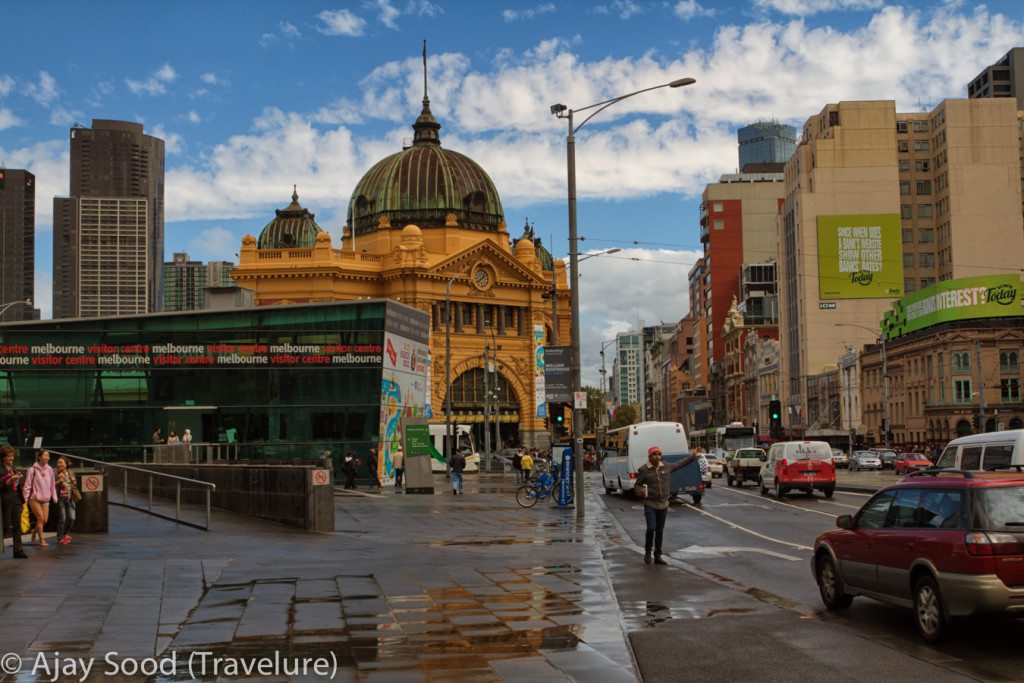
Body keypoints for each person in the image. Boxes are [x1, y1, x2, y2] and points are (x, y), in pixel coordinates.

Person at [633, 445, 696, 565]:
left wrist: (693, 456)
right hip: (650, 503)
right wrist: (640, 492)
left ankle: (657, 556)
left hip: (663, 503)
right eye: (654, 454)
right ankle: (647, 551)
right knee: (651, 528)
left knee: (660, 531)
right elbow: (637, 485)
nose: (657, 456)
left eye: (658, 454)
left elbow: (681, 463)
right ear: (650, 456)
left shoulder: (666, 467)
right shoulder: (643, 470)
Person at [22, 449, 57, 547]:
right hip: (34, 498)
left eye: (48, 456)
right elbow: (27, 485)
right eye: (45, 455)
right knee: (40, 518)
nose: (47, 457)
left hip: (45, 498)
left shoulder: (49, 469)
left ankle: (34, 531)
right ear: (39, 457)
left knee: (44, 520)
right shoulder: (32, 469)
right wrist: (25, 498)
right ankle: (42, 540)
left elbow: (52, 485)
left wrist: (54, 497)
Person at [0, 445, 27, 559]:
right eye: (9, 456)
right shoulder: (1, 469)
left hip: (16, 498)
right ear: (2, 457)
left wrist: (22, 501)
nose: (11, 458)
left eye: (12, 456)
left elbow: (18, 486)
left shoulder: (14, 469)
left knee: (17, 525)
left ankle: (18, 550)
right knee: (5, 525)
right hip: (5, 499)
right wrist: (9, 481)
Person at [54, 456, 77, 545]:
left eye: (61, 462)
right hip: (60, 499)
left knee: (72, 518)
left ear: (66, 464)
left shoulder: (70, 472)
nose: (59, 464)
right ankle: (60, 537)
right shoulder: (55, 473)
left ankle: (66, 534)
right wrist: (59, 481)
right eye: (58, 462)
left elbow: (75, 484)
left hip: (70, 498)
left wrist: (73, 481)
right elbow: (51, 485)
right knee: (62, 518)